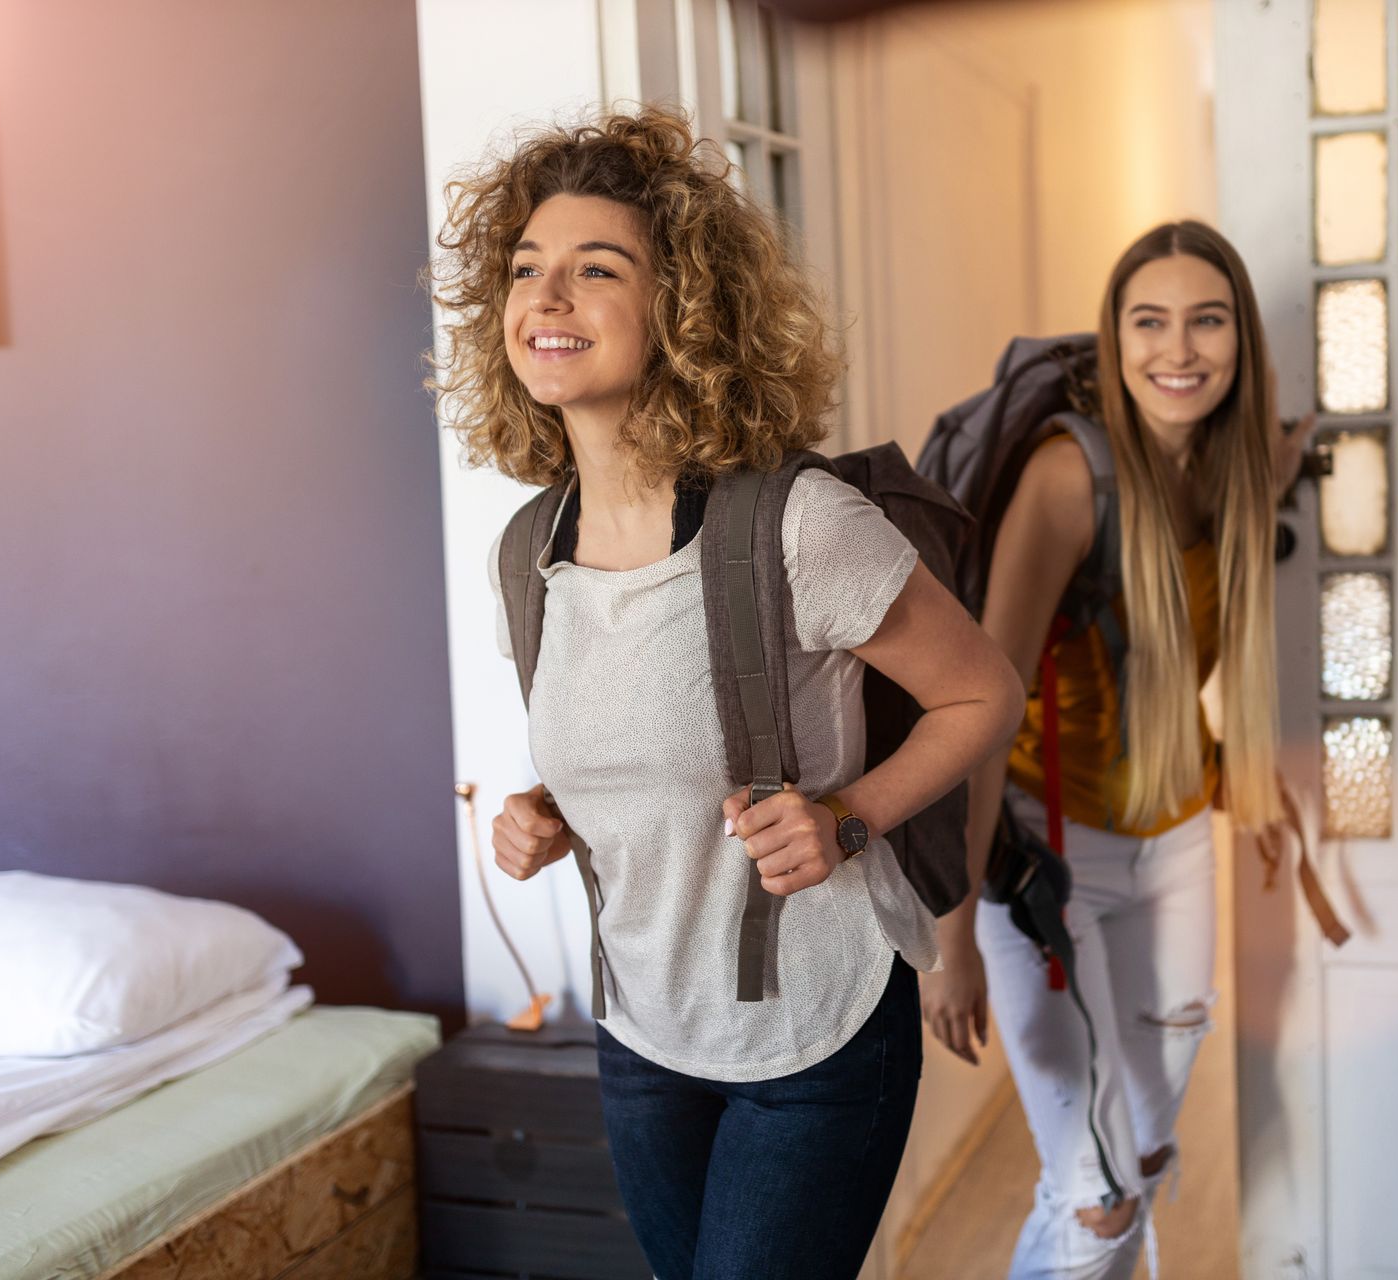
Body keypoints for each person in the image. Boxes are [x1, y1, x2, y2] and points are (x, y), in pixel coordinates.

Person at [427, 107, 1026, 1280]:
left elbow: (985, 694)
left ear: (684, 308)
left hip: (815, 1028)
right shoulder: (525, 551)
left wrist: (848, 813)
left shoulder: (798, 525)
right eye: (525, 270)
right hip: (643, 1028)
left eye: (595, 270)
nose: (546, 298)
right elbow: (649, 739)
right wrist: (548, 810)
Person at [918, 220, 1308, 1278]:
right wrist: (951, 939)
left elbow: (1183, 632)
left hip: (1176, 850)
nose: (1178, 349)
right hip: (1048, 864)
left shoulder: (1231, 471)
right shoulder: (1066, 477)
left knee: (1140, 1152)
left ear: (1241, 342)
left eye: (1207, 321)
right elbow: (978, 711)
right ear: (1116, 335)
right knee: (1095, 1203)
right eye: (1150, 321)